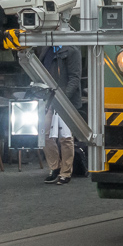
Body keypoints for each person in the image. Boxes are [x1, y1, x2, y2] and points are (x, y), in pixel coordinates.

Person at [39, 44, 82, 185]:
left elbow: (75, 78)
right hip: (49, 99)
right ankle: (55, 167)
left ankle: (66, 171)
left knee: (65, 137)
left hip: (65, 100)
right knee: (44, 134)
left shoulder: (72, 50)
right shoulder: (46, 48)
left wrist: (64, 99)